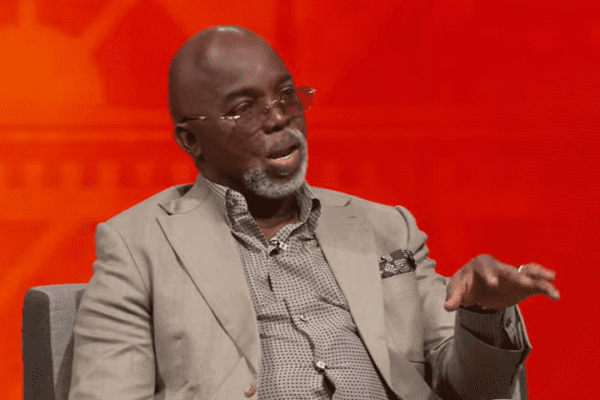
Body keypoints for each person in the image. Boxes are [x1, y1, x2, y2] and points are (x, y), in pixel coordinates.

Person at [68, 26, 560, 400]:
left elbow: (472, 390)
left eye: (287, 95)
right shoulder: (138, 244)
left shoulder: (387, 227)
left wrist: (482, 314)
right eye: (244, 107)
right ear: (191, 139)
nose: (279, 117)